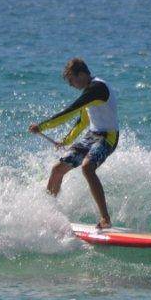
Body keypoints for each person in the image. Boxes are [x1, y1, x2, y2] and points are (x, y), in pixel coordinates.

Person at [29, 58, 119, 228]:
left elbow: (69, 111)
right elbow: (83, 121)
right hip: (91, 136)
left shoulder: (97, 88)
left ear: (83, 74)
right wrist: (66, 141)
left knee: (87, 167)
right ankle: (48, 216)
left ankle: (105, 219)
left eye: (72, 80)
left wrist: (41, 126)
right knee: (57, 170)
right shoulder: (89, 93)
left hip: (108, 137)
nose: (71, 85)